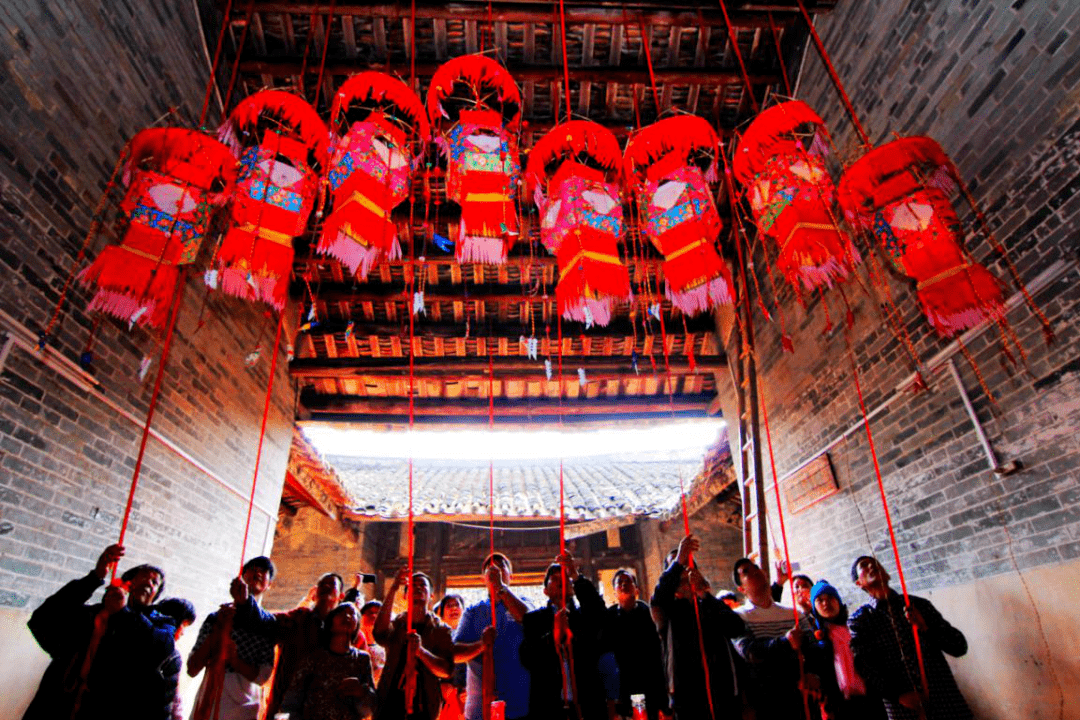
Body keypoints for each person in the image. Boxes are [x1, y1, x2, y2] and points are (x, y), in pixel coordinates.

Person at [23, 543, 179, 720]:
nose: (148, 583)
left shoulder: (161, 626)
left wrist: (123, 614)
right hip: (54, 708)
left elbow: (161, 649)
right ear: (126, 583)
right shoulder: (92, 615)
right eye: (143, 576)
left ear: (155, 597)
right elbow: (42, 619)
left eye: (155, 582)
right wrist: (95, 577)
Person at [848, 556, 972, 720]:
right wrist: (898, 695)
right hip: (905, 710)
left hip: (946, 702)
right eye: (864, 565)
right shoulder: (860, 621)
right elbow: (866, 668)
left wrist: (925, 628)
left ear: (887, 574)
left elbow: (959, 646)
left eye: (875, 562)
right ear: (859, 583)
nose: (872, 564)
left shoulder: (919, 605)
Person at [651, 535, 745, 720]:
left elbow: (736, 628)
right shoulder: (668, 611)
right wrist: (678, 560)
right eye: (678, 565)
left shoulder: (710, 603)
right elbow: (659, 597)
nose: (684, 568)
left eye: (687, 563)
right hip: (688, 698)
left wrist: (704, 593)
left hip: (722, 694)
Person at [231, 570, 347, 718]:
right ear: (315, 593)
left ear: (341, 596)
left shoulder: (344, 631)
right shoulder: (299, 618)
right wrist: (246, 602)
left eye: (331, 584)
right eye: (322, 584)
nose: (326, 586)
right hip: (287, 706)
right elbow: (268, 622)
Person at [519, 552, 607, 720]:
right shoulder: (533, 620)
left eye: (565, 577)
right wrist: (553, 635)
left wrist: (575, 575)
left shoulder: (584, 617)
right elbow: (527, 657)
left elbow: (599, 614)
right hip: (549, 707)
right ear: (545, 591)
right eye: (554, 578)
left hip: (587, 705)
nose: (561, 581)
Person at [189, 556, 278, 720]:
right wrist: (218, 630)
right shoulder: (216, 617)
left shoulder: (268, 623)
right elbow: (192, 668)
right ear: (241, 577)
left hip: (244, 708)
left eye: (263, 571)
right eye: (252, 568)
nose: (257, 572)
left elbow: (262, 676)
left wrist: (234, 660)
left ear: (269, 584)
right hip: (208, 703)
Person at [453, 553, 531, 720]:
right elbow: (455, 654)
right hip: (480, 709)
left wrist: (501, 588)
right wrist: (482, 645)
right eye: (490, 568)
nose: (495, 570)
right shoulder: (473, 611)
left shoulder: (525, 604)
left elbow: (529, 621)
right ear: (484, 579)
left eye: (501, 566)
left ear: (511, 576)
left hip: (519, 706)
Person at [373, 569, 455, 720]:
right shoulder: (397, 625)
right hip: (389, 703)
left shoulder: (441, 630)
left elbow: (446, 670)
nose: (418, 588)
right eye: (413, 585)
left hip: (425, 706)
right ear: (405, 595)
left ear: (431, 595)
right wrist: (393, 588)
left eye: (423, 585)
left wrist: (421, 652)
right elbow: (379, 634)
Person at [801, 580, 885, 720]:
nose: (826, 603)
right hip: (839, 705)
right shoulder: (814, 639)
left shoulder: (856, 627)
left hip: (872, 697)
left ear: (838, 601)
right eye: (820, 600)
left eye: (830, 597)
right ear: (814, 608)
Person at [732, 557, 803, 720]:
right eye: (746, 572)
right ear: (741, 589)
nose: (755, 571)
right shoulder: (738, 617)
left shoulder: (794, 613)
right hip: (763, 700)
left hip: (796, 694)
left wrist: (811, 673)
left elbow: (811, 647)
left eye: (756, 567)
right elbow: (750, 651)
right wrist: (786, 642)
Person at [280, 601, 377, 720]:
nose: (347, 616)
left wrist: (361, 692)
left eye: (352, 614)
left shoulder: (362, 659)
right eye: (341, 613)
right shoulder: (314, 657)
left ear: (356, 626)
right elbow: (292, 699)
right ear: (330, 623)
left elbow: (369, 709)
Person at [601, 568, 669, 720]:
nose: (624, 585)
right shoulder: (609, 618)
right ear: (614, 592)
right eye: (619, 583)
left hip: (648, 683)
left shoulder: (648, 614)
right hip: (622, 685)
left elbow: (657, 654)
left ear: (636, 590)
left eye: (628, 582)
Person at [434, 594, 466, 720]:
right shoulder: (435, 637)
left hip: (467, 694)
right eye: (449, 606)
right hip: (443, 696)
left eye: (457, 605)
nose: (453, 609)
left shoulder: (472, 636)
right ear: (441, 614)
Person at [362, 600, 388, 683]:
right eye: (370, 613)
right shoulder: (354, 640)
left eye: (378, 613)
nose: (373, 616)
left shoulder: (386, 646)